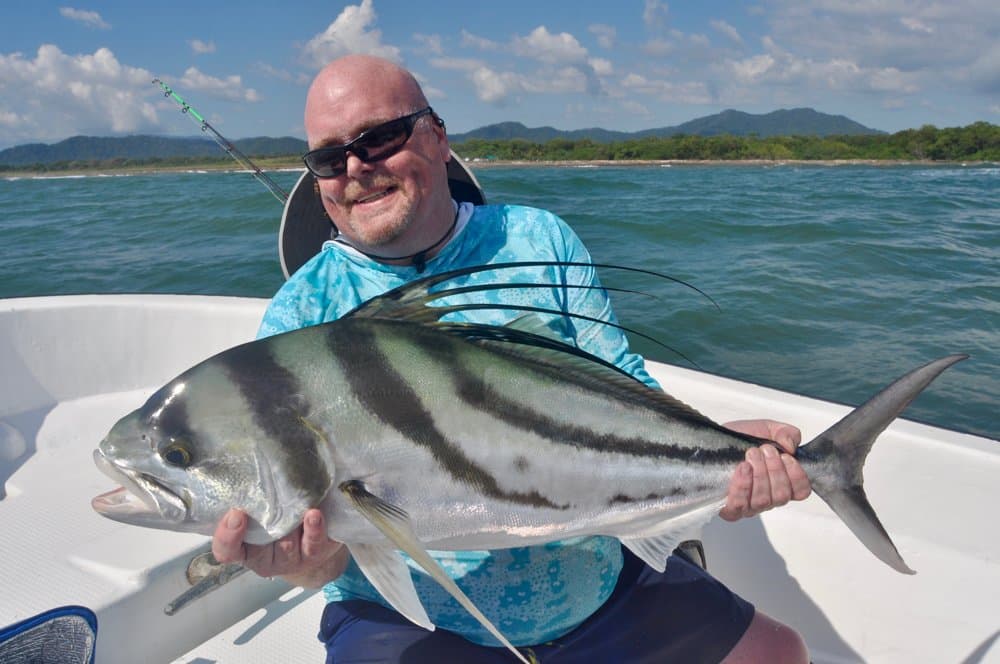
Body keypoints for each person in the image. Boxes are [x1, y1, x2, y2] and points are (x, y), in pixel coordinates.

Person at [213, 54, 812, 663]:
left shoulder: (536, 240)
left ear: (438, 136)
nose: (356, 169)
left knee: (779, 653)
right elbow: (329, 550)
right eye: (328, 158)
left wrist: (721, 447)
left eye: (380, 138)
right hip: (406, 615)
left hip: (595, 579)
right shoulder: (300, 316)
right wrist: (306, 565)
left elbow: (619, 384)